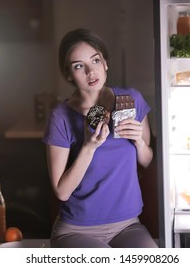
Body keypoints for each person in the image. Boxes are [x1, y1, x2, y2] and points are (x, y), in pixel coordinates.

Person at [42, 28, 157, 248]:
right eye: (78, 66)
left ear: (105, 63)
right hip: (76, 230)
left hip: (128, 225)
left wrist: (139, 142)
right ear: (68, 74)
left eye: (95, 61)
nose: (90, 71)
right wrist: (88, 146)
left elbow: (147, 160)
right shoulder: (61, 116)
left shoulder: (132, 99)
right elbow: (62, 192)